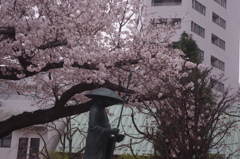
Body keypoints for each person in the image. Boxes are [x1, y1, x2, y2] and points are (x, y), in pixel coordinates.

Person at [83, 88, 125, 159]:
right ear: (101, 99)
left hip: (102, 143)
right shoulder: (95, 110)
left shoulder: (102, 110)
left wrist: (114, 139)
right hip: (95, 145)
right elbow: (93, 127)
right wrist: (110, 131)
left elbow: (104, 128)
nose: (109, 102)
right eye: (108, 100)